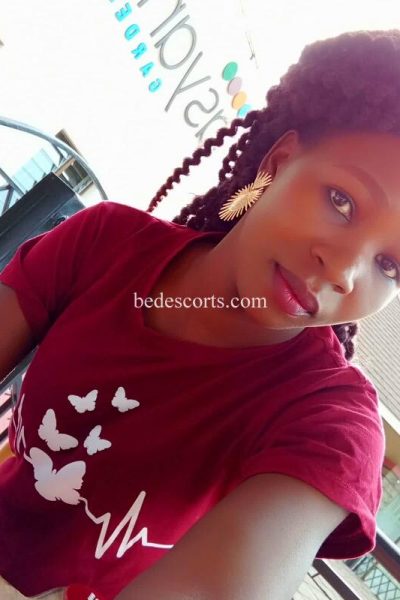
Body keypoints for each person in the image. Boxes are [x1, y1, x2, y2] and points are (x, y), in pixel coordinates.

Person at [0, 26, 398, 600]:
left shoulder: (332, 424)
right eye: (342, 201)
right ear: (278, 162)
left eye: (390, 265)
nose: (343, 271)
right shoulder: (106, 243)